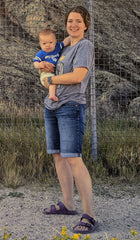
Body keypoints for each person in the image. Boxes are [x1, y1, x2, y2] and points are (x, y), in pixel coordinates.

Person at [41, 6, 98, 234]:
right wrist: (43, 65)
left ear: (86, 24)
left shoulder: (85, 46)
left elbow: (78, 76)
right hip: (52, 106)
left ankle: (89, 215)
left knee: (73, 158)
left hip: (71, 106)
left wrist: (51, 78)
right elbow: (48, 50)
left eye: (78, 21)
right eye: (70, 20)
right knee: (58, 156)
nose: (73, 24)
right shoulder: (64, 47)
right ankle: (68, 204)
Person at [33, 29, 70, 102]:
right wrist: (40, 65)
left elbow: (65, 42)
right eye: (44, 43)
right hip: (46, 73)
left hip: (56, 71)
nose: (48, 45)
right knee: (52, 82)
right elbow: (35, 63)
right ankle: (52, 95)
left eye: (50, 42)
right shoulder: (41, 53)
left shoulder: (57, 47)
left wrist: (71, 37)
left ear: (55, 41)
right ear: (40, 44)